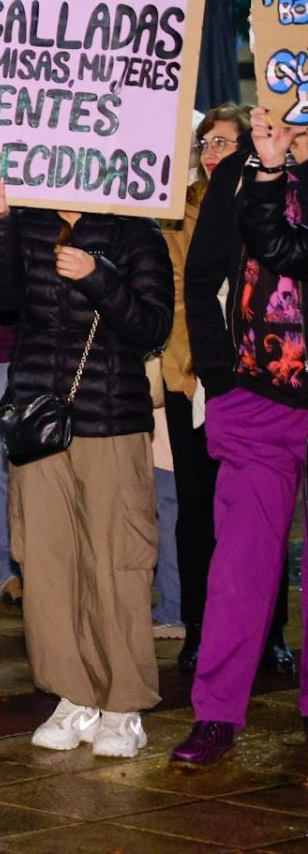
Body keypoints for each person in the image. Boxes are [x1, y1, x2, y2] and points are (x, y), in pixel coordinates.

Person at [0, 172, 171, 760]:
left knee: (117, 562)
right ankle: (72, 693)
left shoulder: (135, 226)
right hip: (38, 421)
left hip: (111, 419)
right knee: (49, 563)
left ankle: (123, 704)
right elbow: (1, 302)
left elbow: (152, 327)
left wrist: (99, 277)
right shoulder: (30, 217)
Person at [171, 107, 308, 768]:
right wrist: (220, 379)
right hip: (256, 404)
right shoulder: (236, 176)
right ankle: (216, 713)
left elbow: (286, 249)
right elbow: (200, 280)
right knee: (238, 570)